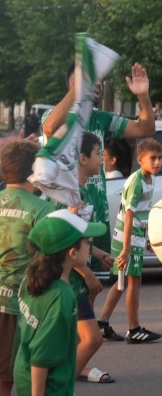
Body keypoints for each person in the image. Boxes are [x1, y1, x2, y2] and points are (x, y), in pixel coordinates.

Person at [43, 62, 155, 283]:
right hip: (64, 214)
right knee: (63, 284)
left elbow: (145, 129)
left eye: (99, 78)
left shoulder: (101, 119)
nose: (98, 83)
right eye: (90, 78)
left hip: (98, 217)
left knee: (93, 289)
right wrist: (76, 93)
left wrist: (143, 97)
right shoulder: (55, 115)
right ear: (72, 83)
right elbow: (48, 128)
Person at [13, 209, 107, 396]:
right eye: (87, 243)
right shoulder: (63, 296)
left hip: (25, 375)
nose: (90, 247)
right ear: (72, 253)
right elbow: (41, 356)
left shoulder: (31, 277)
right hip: (48, 387)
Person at [48, 132, 115, 383]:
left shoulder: (78, 190)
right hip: (70, 281)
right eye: (99, 154)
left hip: (74, 280)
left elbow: (77, 235)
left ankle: (69, 373)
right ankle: (59, 383)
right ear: (82, 158)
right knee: (93, 339)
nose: (102, 159)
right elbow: (63, 242)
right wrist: (86, 274)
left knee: (76, 338)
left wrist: (96, 253)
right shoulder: (71, 194)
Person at [0, 141, 54, 396]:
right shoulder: (41, 208)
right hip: (15, 305)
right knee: (7, 377)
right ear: (35, 170)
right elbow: (49, 259)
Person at [98, 139, 162, 344]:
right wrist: (126, 249)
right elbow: (128, 216)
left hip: (134, 238)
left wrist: (149, 238)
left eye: (160, 158)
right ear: (140, 159)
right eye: (152, 159)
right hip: (127, 240)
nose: (157, 163)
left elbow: (144, 213)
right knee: (133, 281)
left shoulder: (149, 178)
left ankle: (102, 322)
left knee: (122, 281)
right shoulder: (137, 182)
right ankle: (134, 329)